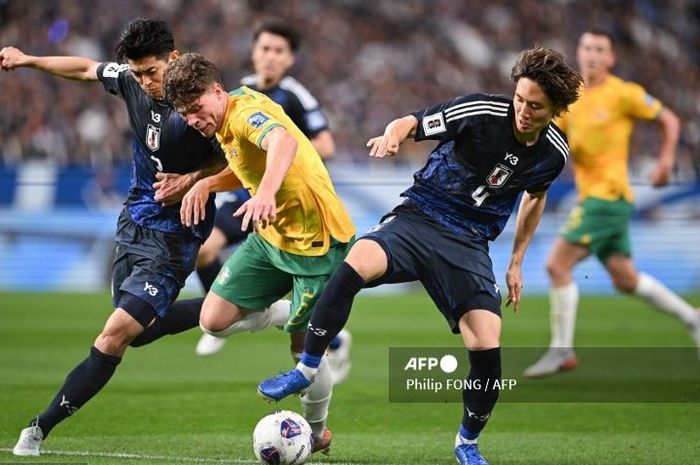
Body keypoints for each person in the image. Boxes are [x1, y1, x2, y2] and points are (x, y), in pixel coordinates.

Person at [257, 46, 583, 465]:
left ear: (555, 108)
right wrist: (394, 134)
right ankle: (306, 369)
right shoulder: (482, 111)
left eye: (535, 106)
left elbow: (535, 198)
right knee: (354, 263)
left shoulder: (554, 153)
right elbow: (411, 122)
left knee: (487, 343)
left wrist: (517, 260)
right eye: (519, 99)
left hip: (468, 243)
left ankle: (467, 442)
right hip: (420, 215)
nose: (522, 110)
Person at [2, 18, 237, 457]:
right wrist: (29, 60)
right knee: (141, 332)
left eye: (152, 71)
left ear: (173, 58)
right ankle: (240, 306)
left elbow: (241, 165)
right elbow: (85, 69)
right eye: (138, 73)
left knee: (113, 335)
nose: (146, 82)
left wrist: (191, 180)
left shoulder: (204, 104)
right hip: (133, 223)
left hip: (176, 237)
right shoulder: (130, 80)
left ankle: (38, 428)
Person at [163, 52, 356, 453]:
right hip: (272, 237)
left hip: (316, 242)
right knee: (212, 321)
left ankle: (317, 434)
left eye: (197, 108)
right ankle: (281, 313)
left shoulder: (243, 111)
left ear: (217, 91)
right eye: (185, 114)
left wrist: (265, 193)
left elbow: (281, 141)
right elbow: (247, 166)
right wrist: (205, 184)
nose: (194, 120)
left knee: (305, 351)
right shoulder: (221, 119)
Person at [523, 30, 700, 378]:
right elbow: (547, 135)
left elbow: (669, 119)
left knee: (557, 265)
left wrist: (665, 161)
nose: (592, 55)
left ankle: (561, 351)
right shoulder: (571, 99)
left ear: (611, 58)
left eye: (599, 49)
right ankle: (693, 319)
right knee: (626, 280)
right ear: (579, 51)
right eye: (586, 47)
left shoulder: (624, 94)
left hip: (608, 197)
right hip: (598, 199)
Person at [194, 21, 352, 379]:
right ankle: (227, 315)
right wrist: (202, 180)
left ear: (290, 59)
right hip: (246, 193)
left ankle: (334, 339)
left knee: (303, 333)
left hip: (284, 200)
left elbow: (324, 145)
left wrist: (284, 168)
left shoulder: (296, 95)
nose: (270, 57)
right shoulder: (239, 92)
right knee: (204, 251)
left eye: (278, 51)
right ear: (254, 52)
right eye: (264, 48)